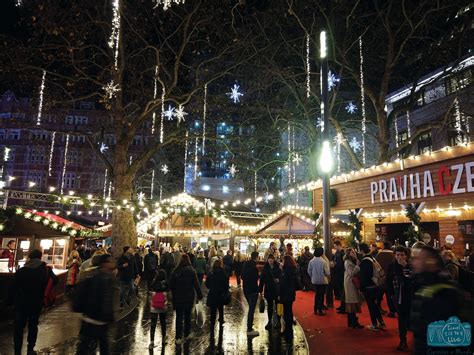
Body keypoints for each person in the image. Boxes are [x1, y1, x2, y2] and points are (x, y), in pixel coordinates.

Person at [410, 246, 464, 354]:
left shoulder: (445, 290)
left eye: (418, 258)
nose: (413, 262)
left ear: (430, 262)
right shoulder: (424, 283)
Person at [13, 249, 58, 355]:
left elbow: (14, 287)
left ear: (30, 257)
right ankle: (30, 349)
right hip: (37, 301)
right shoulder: (45, 269)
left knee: (19, 326)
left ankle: (17, 350)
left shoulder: (21, 270)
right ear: (40, 257)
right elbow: (55, 280)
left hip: (21, 302)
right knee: (33, 325)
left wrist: (9, 302)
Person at [75, 254, 119, 355]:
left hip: (102, 320)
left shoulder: (110, 277)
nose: (113, 262)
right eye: (110, 260)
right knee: (86, 347)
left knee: (102, 347)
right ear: (104, 263)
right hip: (91, 319)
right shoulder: (94, 276)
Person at [169, 254, 203, 345]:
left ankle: (178, 338)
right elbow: (196, 285)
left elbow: (170, 285)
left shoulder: (175, 271)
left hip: (178, 297)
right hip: (188, 297)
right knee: (188, 316)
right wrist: (200, 295)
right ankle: (187, 334)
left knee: (179, 317)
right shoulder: (192, 271)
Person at [386, 246, 413, 351]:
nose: (399, 257)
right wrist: (392, 295)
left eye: (402, 254)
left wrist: (406, 267)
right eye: (397, 255)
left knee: (410, 319)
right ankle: (403, 340)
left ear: (406, 256)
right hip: (399, 297)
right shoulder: (392, 266)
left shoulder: (410, 266)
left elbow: (412, 279)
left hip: (411, 296)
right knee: (401, 319)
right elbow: (388, 282)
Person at [359, 243, 385, 331]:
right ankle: (381, 322)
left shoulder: (365, 261)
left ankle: (374, 324)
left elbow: (364, 276)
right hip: (376, 284)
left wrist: (361, 288)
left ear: (361, 250)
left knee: (371, 306)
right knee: (375, 305)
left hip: (369, 286)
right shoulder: (372, 258)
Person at [259, 254, 282, 330]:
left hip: (277, 290)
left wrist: (279, 280)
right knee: (269, 306)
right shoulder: (265, 269)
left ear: (274, 259)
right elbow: (262, 280)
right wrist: (260, 290)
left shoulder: (278, 268)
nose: (270, 260)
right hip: (268, 289)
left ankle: (278, 321)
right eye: (269, 259)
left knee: (277, 305)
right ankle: (269, 321)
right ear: (267, 260)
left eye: (272, 259)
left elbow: (281, 277)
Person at [205, 259, 230, 330]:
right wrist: (225, 290)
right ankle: (221, 319)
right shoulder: (223, 273)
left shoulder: (211, 273)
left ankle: (212, 322)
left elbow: (207, 284)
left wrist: (211, 287)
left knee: (213, 309)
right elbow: (226, 284)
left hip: (213, 293)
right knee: (220, 307)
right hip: (221, 293)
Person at [343, 248, 363, 329]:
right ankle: (353, 322)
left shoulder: (352, 260)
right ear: (348, 253)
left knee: (352, 301)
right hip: (350, 283)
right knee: (352, 301)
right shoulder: (348, 261)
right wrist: (358, 266)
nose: (354, 253)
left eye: (354, 252)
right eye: (352, 252)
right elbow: (351, 273)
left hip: (351, 282)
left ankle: (352, 322)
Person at [149, 268, 168, 350]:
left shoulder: (154, 282)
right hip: (163, 305)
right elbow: (169, 293)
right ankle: (163, 339)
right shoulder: (166, 283)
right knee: (163, 323)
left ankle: (152, 342)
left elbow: (150, 291)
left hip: (154, 306)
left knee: (153, 324)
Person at [280, 255, 298, 342]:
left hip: (285, 293)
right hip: (291, 293)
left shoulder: (285, 271)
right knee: (289, 310)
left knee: (286, 311)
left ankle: (288, 330)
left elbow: (283, 284)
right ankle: (289, 328)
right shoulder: (293, 270)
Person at [375, 241, 396, 317]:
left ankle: (377, 308)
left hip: (381, 277)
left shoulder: (379, 254)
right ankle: (392, 311)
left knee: (379, 295)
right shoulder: (393, 254)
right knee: (389, 295)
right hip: (390, 278)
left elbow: (376, 265)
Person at [241, 251, 260, 337]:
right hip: (253, 290)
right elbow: (255, 278)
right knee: (251, 309)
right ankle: (249, 328)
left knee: (251, 307)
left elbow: (242, 276)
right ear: (256, 257)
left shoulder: (245, 265)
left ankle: (249, 325)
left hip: (246, 289)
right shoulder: (254, 267)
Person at [308, 247, 330, 315]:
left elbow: (309, 271)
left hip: (314, 280)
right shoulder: (323, 261)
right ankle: (320, 310)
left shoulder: (311, 261)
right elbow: (327, 273)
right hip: (322, 280)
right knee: (321, 295)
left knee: (317, 294)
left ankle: (315, 309)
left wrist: (312, 276)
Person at [333, 241, 345, 308]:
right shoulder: (337, 253)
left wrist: (335, 264)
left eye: (335, 246)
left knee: (342, 289)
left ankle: (343, 306)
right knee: (340, 289)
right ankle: (342, 305)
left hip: (341, 273)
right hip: (337, 273)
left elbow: (341, 264)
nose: (335, 247)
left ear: (339, 245)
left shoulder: (342, 253)